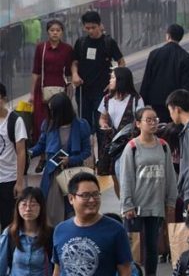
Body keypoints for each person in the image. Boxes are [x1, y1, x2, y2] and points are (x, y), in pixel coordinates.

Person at [120, 107, 177, 276]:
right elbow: (126, 177)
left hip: (156, 204)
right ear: (138, 124)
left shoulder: (163, 146)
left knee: (152, 246)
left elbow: (170, 175)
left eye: (155, 119)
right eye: (148, 120)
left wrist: (171, 200)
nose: (153, 123)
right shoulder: (132, 148)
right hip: (136, 207)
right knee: (134, 246)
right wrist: (127, 204)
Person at [52, 172, 132, 276]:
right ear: (71, 198)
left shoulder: (116, 230)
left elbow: (125, 272)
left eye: (95, 194)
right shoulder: (60, 230)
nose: (92, 200)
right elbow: (57, 272)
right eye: (85, 195)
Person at [29, 93, 91, 225]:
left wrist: (71, 159)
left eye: (53, 110)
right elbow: (41, 145)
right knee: (52, 209)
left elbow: (87, 151)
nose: (50, 113)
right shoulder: (48, 125)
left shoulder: (81, 125)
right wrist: (28, 153)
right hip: (53, 174)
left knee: (73, 208)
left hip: (73, 173)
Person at [71, 10, 125, 132]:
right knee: (84, 125)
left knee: (102, 124)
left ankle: (102, 150)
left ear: (100, 25)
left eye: (93, 27)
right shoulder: (81, 42)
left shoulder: (108, 42)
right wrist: (74, 74)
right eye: (87, 28)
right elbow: (75, 62)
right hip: (83, 90)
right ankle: (88, 150)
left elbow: (121, 62)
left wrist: (115, 79)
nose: (90, 31)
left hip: (102, 91)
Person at [140, 24, 189, 124]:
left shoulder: (154, 54)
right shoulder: (185, 56)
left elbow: (147, 78)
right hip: (176, 104)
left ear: (168, 36)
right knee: (176, 128)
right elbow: (188, 82)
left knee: (160, 127)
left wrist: (143, 99)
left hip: (157, 102)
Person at [98, 66, 143, 197]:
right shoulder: (107, 99)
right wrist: (104, 125)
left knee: (130, 174)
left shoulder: (136, 99)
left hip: (130, 142)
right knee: (114, 176)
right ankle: (123, 204)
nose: (110, 80)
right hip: (112, 143)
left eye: (113, 77)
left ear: (121, 80)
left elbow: (141, 120)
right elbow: (102, 118)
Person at [30, 19, 74, 147]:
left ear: (62, 32)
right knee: (41, 119)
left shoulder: (67, 49)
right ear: (47, 32)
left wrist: (70, 87)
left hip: (60, 88)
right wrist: (32, 93)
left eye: (58, 30)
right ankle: (43, 148)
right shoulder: (41, 48)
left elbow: (69, 71)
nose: (55, 33)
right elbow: (36, 71)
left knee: (59, 117)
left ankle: (57, 145)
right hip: (42, 89)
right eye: (52, 30)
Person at [0, 187, 53, 276]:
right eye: (24, 204)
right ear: (17, 207)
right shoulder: (10, 233)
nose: (28, 209)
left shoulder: (50, 234)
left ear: (41, 207)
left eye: (33, 205)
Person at [0, 83, 27, 228]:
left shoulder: (15, 120)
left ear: (4, 99)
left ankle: (8, 250)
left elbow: (21, 152)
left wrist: (19, 181)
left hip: (8, 180)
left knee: (8, 222)